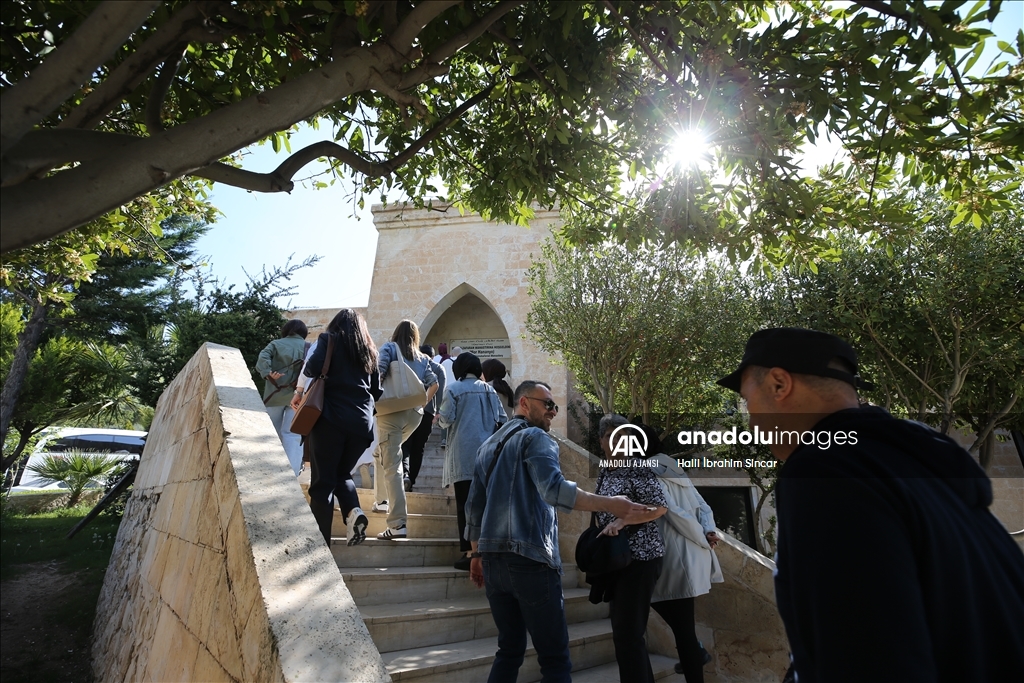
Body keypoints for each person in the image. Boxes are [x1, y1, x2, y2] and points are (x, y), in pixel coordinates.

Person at [717, 327, 1024, 682]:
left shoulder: (827, 473)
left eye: (747, 402)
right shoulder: (921, 463)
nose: (751, 423)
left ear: (779, 385)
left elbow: (866, 659)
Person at [465, 381, 649, 683]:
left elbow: (474, 508)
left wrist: (476, 554)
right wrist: (612, 504)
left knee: (509, 650)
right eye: (547, 404)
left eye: (555, 406)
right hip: (531, 561)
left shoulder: (487, 445)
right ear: (524, 403)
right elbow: (554, 489)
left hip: (494, 564)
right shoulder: (537, 438)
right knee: (555, 661)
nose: (553, 411)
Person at [636, 423, 723, 683]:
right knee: (679, 621)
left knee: (682, 629)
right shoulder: (674, 467)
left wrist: (702, 537)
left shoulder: (646, 470)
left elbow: (673, 512)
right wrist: (708, 531)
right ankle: (696, 652)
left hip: (675, 557)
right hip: (692, 556)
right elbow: (703, 506)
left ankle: (696, 659)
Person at [290, 309, 379, 547]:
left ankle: (319, 548)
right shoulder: (370, 351)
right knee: (341, 475)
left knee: (322, 484)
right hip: (361, 425)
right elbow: (377, 390)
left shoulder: (329, 340)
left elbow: (311, 369)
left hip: (330, 418)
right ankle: (353, 511)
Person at [591, 414, 668, 683]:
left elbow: (659, 507)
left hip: (642, 559)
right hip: (618, 559)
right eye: (614, 436)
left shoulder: (636, 466)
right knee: (624, 633)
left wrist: (623, 521)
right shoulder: (605, 469)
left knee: (628, 634)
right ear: (602, 441)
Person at [437, 352, 507, 570]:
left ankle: (470, 552)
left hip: (463, 455)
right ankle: (487, 551)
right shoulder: (489, 390)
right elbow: (503, 420)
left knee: (465, 506)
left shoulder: (453, 389)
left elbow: (446, 419)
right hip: (487, 457)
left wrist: (439, 419)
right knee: (485, 505)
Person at [373, 320, 437, 539]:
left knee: (392, 465)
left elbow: (379, 373)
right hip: (414, 415)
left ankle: (397, 523)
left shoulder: (389, 348)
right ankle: (382, 500)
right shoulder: (422, 357)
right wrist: (423, 403)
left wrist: (371, 401)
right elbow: (434, 383)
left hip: (391, 412)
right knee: (380, 453)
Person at [256, 319, 308, 475]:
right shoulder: (309, 347)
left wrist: (268, 373)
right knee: (293, 435)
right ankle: (291, 473)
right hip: (298, 397)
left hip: (274, 395)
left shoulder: (276, 344)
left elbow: (262, 358)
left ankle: (268, 469)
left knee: (270, 433)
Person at [402, 344, 446, 492]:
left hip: (408, 409)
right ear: (433, 356)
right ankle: (412, 481)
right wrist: (438, 412)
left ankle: (405, 475)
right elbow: (440, 393)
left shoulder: (412, 365)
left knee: (405, 444)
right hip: (427, 412)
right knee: (418, 448)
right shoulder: (438, 369)